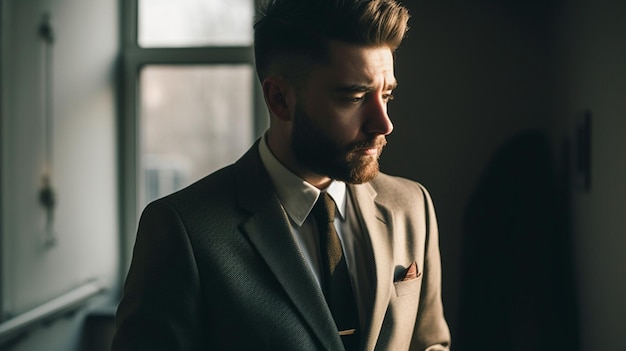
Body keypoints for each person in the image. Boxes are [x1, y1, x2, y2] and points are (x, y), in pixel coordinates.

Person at [111, 0, 451, 350]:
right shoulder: (182, 230)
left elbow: (430, 343)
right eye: (354, 97)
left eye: (387, 94)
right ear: (279, 99)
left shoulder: (412, 206)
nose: (384, 123)